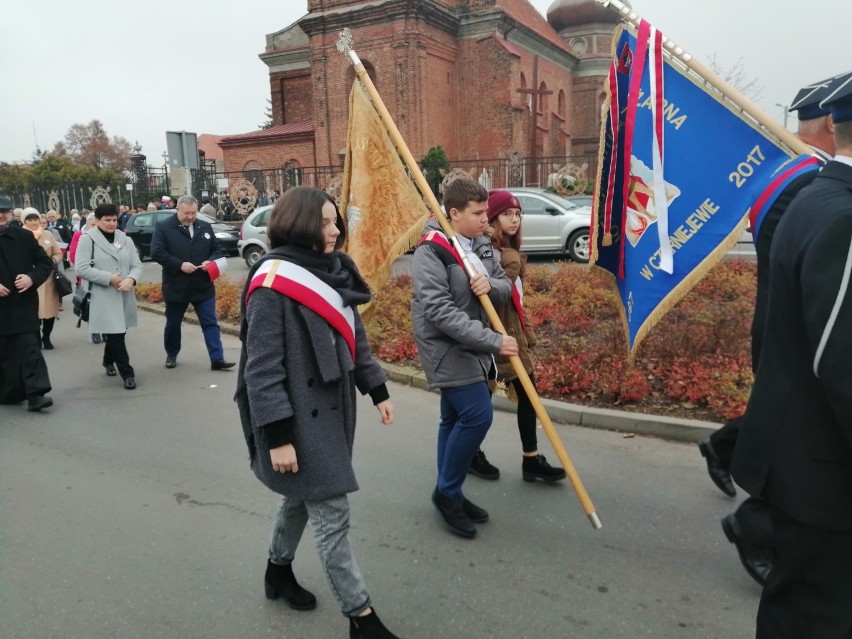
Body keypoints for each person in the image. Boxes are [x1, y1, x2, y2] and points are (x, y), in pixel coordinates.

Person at [235, 186, 401, 639]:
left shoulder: (335, 270)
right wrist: (278, 436)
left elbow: (355, 336)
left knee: (298, 497)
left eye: (335, 221)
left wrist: (377, 389)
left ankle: (277, 570)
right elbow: (261, 369)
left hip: (332, 408)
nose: (335, 231)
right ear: (301, 225)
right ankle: (361, 618)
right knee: (331, 512)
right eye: (325, 223)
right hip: (294, 418)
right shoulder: (271, 282)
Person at [696, 73, 841, 586]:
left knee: (785, 427)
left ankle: (728, 452)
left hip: (795, 330)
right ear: (830, 121)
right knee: (797, 437)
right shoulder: (801, 182)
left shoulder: (800, 174)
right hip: (793, 329)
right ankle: (754, 523)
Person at [730, 73, 852, 638]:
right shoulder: (841, 212)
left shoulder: (814, 194)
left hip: (801, 454)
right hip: (824, 469)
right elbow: (841, 361)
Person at [411, 177, 518, 538]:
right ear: (453, 214)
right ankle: (446, 493)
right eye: (477, 213)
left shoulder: (482, 244)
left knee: (453, 417)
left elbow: (505, 284)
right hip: (446, 347)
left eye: (486, 210)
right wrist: (493, 341)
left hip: (474, 345)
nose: (486, 218)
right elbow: (439, 311)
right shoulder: (432, 250)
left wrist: (491, 285)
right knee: (476, 414)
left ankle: (450, 492)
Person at [476, 190, 567, 483]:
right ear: (492, 217)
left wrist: (526, 331)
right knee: (483, 398)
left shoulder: (502, 251)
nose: (514, 220)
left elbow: (517, 300)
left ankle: (528, 458)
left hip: (509, 332)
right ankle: (473, 453)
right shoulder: (497, 254)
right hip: (496, 335)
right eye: (506, 214)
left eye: (517, 214)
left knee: (518, 395)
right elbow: (499, 293)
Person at [149, 194, 235, 371]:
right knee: (173, 324)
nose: (190, 217)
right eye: (186, 213)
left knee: (210, 322)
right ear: (177, 209)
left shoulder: (204, 227)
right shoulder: (164, 227)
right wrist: (179, 265)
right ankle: (172, 353)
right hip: (176, 285)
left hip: (202, 284)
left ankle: (217, 358)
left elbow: (217, 250)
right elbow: (157, 252)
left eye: (193, 213)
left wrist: (210, 261)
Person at [75, 203, 143, 390]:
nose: (112, 223)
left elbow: (137, 265)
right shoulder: (88, 239)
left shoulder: (125, 239)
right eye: (107, 220)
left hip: (124, 293)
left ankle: (107, 360)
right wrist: (108, 278)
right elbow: (81, 268)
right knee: (116, 335)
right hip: (102, 295)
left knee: (118, 332)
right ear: (97, 221)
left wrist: (131, 279)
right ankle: (128, 374)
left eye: (114, 220)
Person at [0, 195, 54, 411]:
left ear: (11, 213)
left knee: (31, 349)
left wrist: (32, 277)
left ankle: (36, 395)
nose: (0, 216)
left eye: (4, 211)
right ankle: (10, 392)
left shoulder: (24, 236)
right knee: (6, 355)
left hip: (23, 305)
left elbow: (44, 263)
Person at [21, 208, 63, 350]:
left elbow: (58, 253)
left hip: (48, 278)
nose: (33, 222)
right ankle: (36, 338)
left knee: (50, 311)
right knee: (35, 311)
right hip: (30, 279)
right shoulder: (20, 235)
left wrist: (52, 262)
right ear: (24, 221)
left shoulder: (47, 234)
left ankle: (47, 336)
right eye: (29, 220)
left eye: (35, 219)